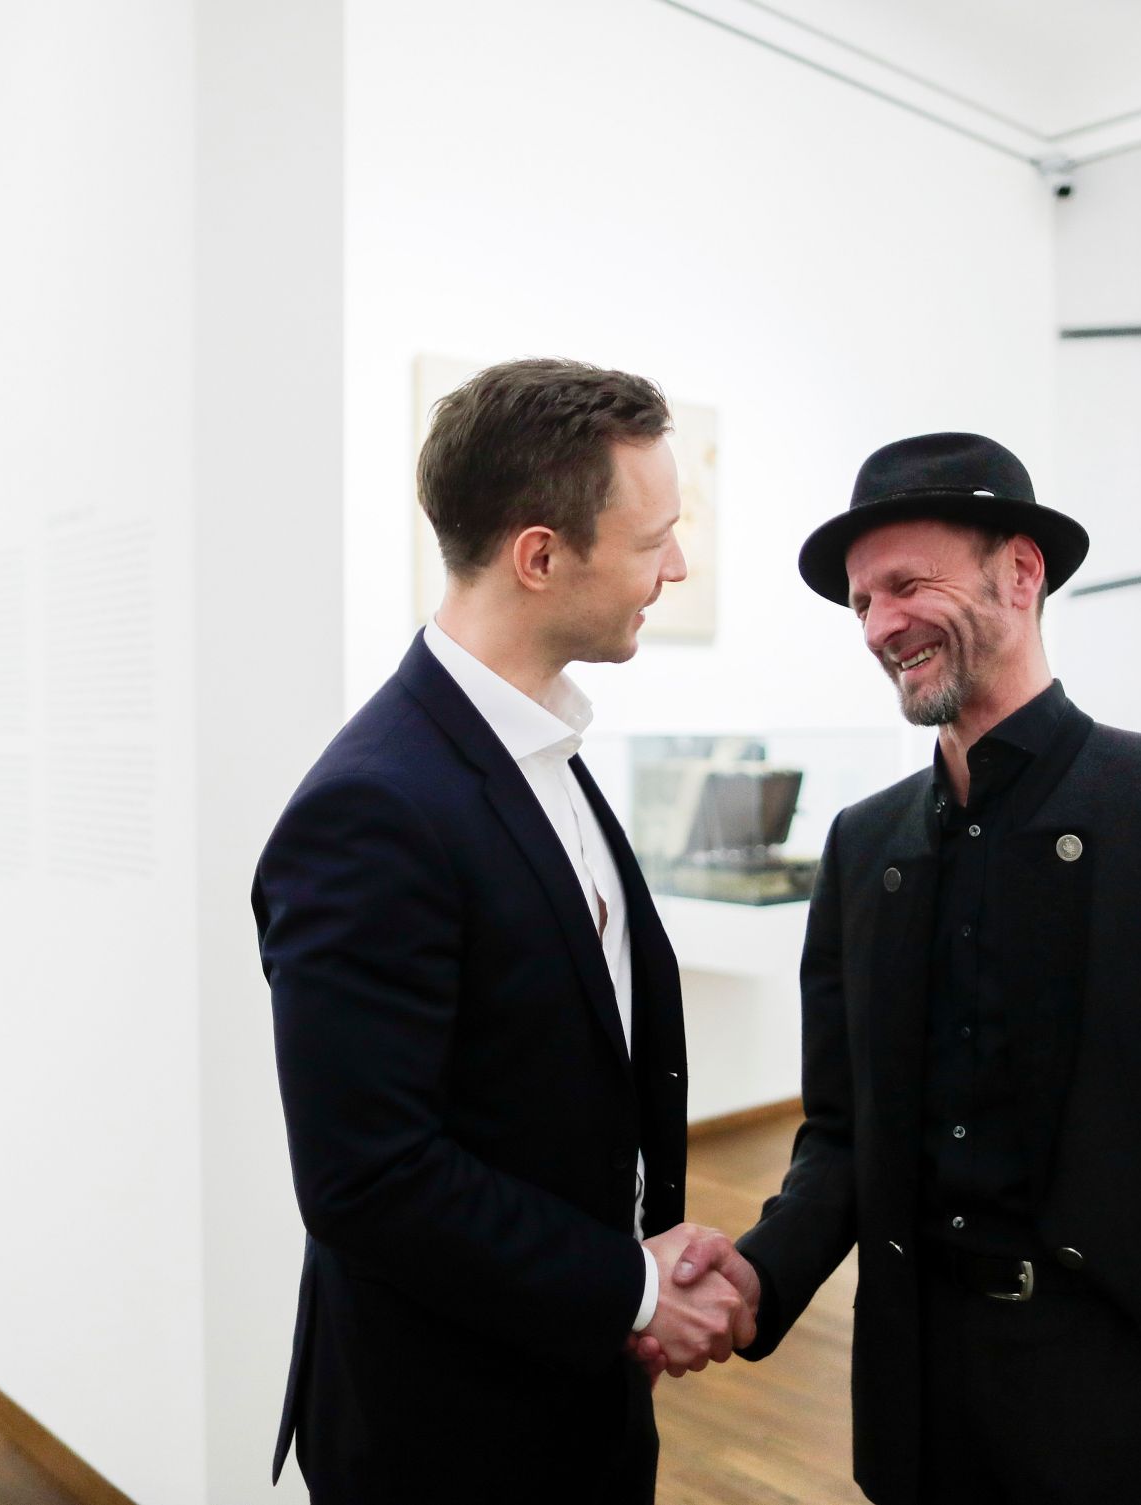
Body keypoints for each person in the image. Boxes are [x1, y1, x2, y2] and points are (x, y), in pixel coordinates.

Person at [657, 432, 1141, 1503]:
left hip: (1128, 1407)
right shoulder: (865, 846)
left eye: (908, 583)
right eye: (861, 602)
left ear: (1020, 571)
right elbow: (844, 1134)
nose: (881, 624)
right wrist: (760, 1270)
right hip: (916, 1407)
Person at [252, 358, 753, 1504]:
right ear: (539, 555)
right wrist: (629, 1284)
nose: (673, 567)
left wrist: (641, 1260)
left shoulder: (536, 749)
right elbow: (368, 1176)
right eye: (652, 540)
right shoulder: (373, 805)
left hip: (564, 1377)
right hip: (448, 1428)